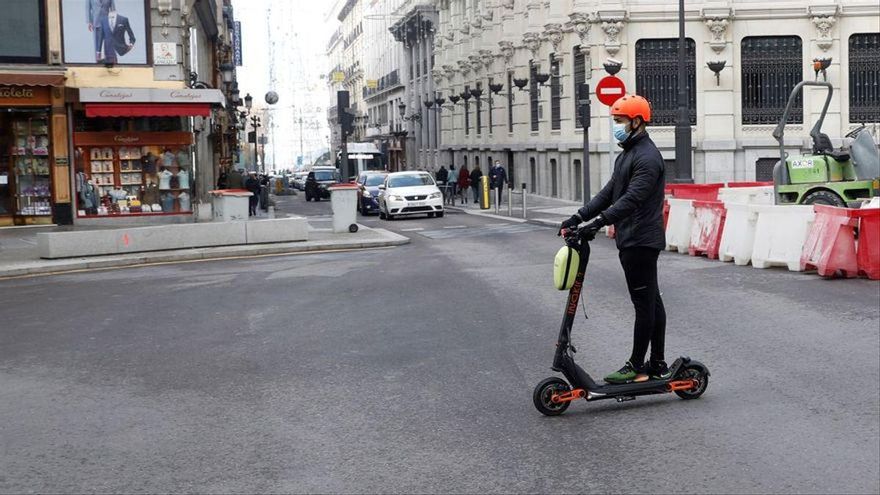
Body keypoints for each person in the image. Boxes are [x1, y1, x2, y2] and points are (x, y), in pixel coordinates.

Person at [558, 94, 668, 385]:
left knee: (644, 303)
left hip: (641, 240)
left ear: (636, 122)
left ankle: (636, 365)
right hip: (632, 237)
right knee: (652, 302)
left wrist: (597, 223)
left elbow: (631, 200)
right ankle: (657, 363)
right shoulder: (627, 154)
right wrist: (578, 218)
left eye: (619, 121)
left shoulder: (647, 157)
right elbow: (610, 193)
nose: (615, 126)